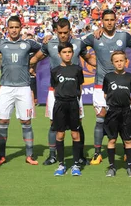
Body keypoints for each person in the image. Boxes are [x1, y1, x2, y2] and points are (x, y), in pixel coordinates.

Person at [30, 17, 95, 166]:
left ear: (70, 31)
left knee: (78, 123)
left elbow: (89, 59)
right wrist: (27, 66)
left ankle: (79, 156)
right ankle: (53, 155)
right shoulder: (49, 43)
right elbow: (36, 58)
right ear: (55, 31)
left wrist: (105, 65)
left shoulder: (78, 43)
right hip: (55, 91)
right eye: (60, 32)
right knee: (54, 123)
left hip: (73, 91)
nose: (63, 35)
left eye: (65, 32)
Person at [81, 10, 131, 165]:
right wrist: (89, 59)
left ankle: (128, 153)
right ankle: (97, 153)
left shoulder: (123, 36)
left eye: (112, 19)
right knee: (100, 118)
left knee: (125, 120)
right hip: (101, 85)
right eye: (106, 20)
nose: (110, 22)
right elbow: (78, 45)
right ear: (102, 21)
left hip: (122, 85)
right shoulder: (95, 36)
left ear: (116, 20)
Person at [0, 15, 41, 166]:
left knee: (26, 121)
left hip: (24, 87)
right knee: (3, 121)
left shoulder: (28, 43)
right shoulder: (1, 44)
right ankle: (1, 156)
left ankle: (30, 155)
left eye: (16, 27)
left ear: (21, 28)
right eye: (11, 27)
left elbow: (43, 50)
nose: (13, 30)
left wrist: (33, 63)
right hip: (5, 87)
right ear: (7, 29)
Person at [50, 42, 85, 177]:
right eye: (64, 52)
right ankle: (61, 164)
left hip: (73, 104)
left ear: (73, 53)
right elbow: (55, 88)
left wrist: (75, 100)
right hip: (60, 104)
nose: (67, 54)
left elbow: (79, 87)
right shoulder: (55, 70)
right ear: (59, 54)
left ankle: (76, 164)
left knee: (75, 134)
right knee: (60, 134)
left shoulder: (77, 69)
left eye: (69, 52)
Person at [102, 51, 131, 177]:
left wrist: (129, 103)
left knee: (128, 140)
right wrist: (111, 103)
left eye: (121, 60)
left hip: (126, 112)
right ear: (112, 63)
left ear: (125, 61)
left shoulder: (130, 77)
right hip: (112, 112)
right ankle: (112, 167)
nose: (119, 63)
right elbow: (105, 93)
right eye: (116, 61)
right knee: (112, 139)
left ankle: (130, 167)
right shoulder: (108, 77)